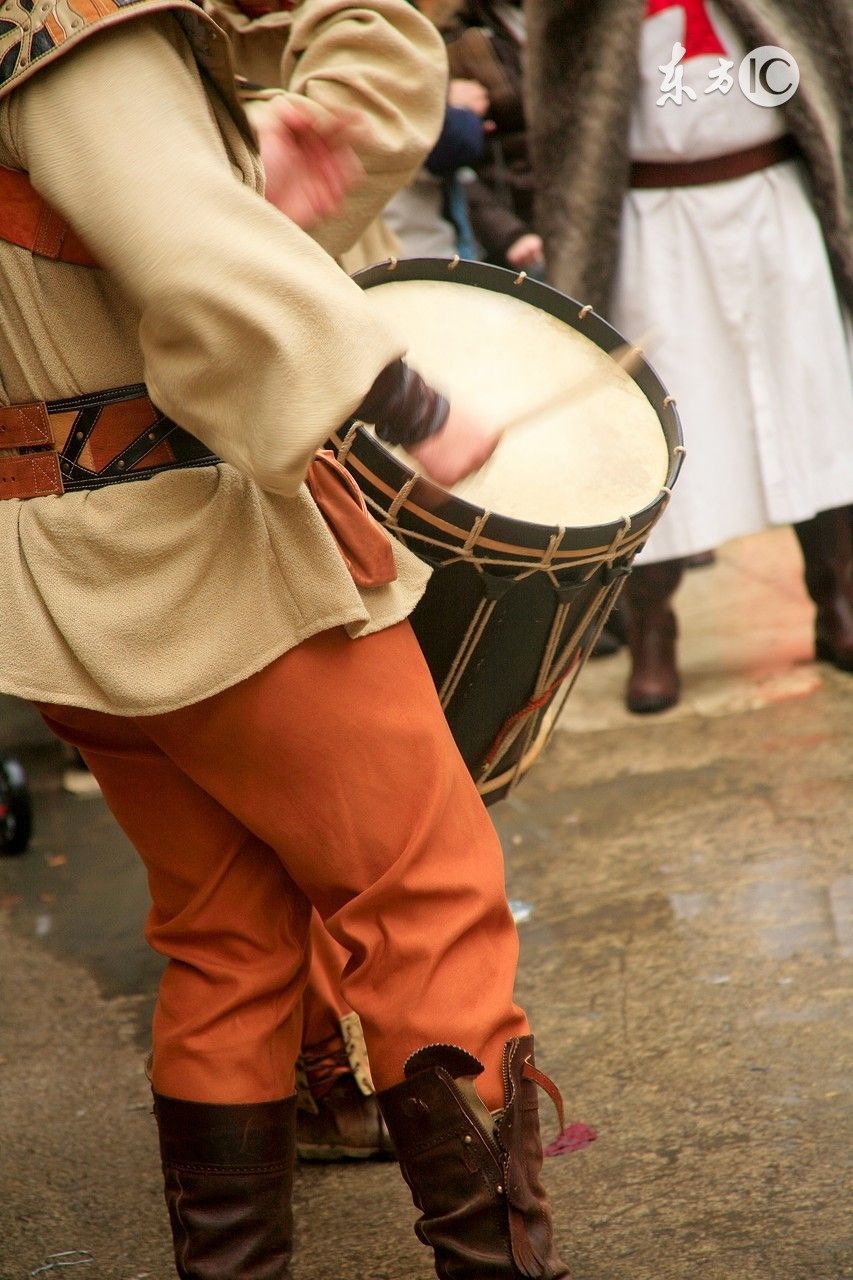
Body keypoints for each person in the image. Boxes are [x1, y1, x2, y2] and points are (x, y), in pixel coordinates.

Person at [0, 2, 571, 1278]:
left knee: (229, 940)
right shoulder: (75, 21)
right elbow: (190, 253)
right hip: (198, 553)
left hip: (57, 556)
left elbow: (86, 207)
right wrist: (403, 398)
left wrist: (237, 145)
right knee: (426, 899)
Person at [526, 0, 853, 712]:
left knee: (816, 405)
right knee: (659, 427)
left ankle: (838, 598)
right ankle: (653, 627)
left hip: (776, 202)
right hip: (653, 224)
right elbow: (566, 92)